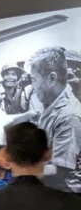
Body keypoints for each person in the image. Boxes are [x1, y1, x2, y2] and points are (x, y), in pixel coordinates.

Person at [26, 47, 81, 180]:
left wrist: (21, 168)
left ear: (52, 79)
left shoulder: (69, 116)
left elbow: (60, 170)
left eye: (34, 80)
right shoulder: (50, 105)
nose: (32, 86)